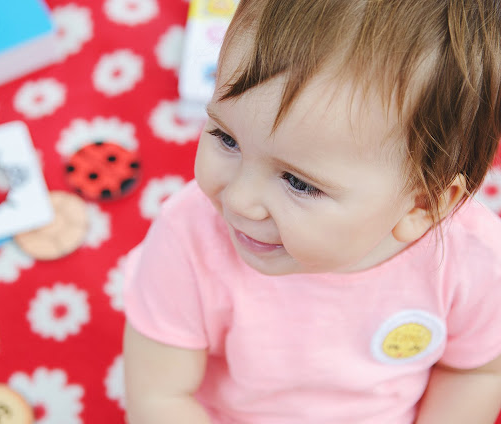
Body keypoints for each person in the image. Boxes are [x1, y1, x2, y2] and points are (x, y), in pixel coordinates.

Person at [122, 0, 501, 423]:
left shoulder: (474, 259)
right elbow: (160, 396)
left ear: (423, 205)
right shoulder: (188, 238)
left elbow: (476, 373)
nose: (239, 200)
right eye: (226, 138)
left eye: (298, 182)